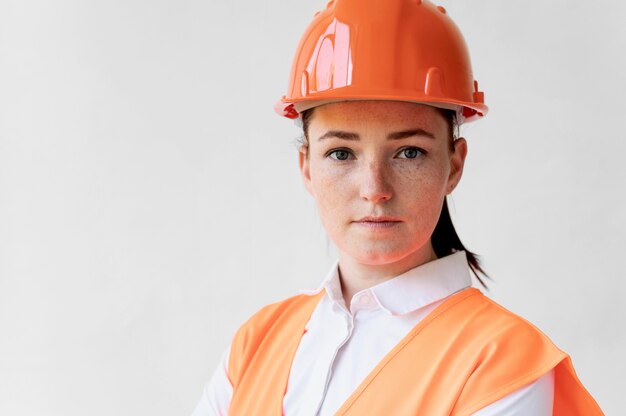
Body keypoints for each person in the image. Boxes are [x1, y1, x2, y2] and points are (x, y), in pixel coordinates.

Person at [192, 1, 604, 414]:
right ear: (307, 168)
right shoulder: (256, 344)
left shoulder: (502, 362)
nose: (375, 189)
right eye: (340, 154)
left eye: (409, 152)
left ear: (454, 164)